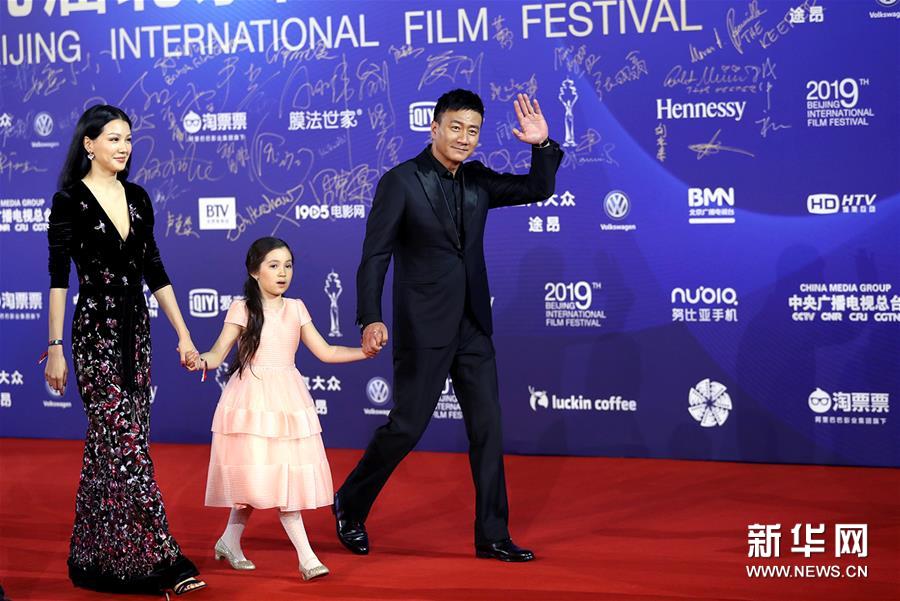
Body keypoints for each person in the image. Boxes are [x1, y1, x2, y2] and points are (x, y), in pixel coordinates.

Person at [334, 90, 563, 562]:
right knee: (407, 427)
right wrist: (370, 316)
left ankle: (493, 535)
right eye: (456, 127)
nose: (464, 138)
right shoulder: (401, 182)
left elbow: (537, 189)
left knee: (488, 430)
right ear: (434, 128)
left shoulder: (477, 180)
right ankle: (350, 503)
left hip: (473, 324)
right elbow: (375, 255)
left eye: (473, 131)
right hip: (423, 327)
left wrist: (541, 146)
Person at [44, 105, 206, 595]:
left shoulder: (138, 198)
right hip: (94, 334)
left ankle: (93, 561)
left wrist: (183, 334)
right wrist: (55, 346)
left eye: (128, 139)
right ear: (89, 144)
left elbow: (154, 269)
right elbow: (58, 279)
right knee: (127, 446)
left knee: (108, 449)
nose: (123, 147)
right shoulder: (69, 201)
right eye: (113, 138)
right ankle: (164, 560)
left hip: (136, 335)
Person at [189, 237, 372, 581]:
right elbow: (216, 354)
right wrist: (198, 361)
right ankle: (307, 558)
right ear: (254, 271)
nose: (282, 272)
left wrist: (363, 352)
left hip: (288, 400)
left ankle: (229, 541)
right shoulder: (241, 308)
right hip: (250, 403)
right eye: (273, 266)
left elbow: (326, 352)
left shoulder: (297, 308)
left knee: (278, 479)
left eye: (288, 265)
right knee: (255, 480)